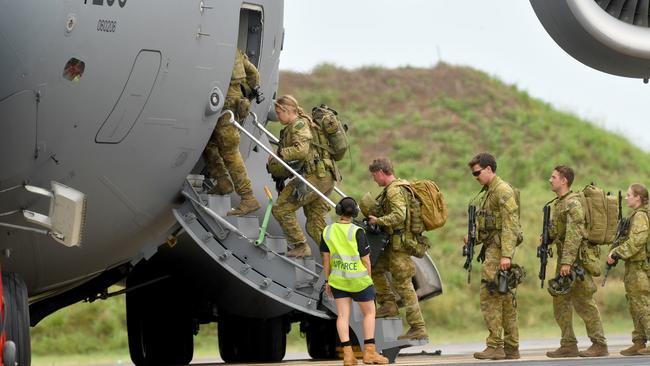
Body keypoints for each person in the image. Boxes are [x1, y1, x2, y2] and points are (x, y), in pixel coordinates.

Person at [546, 165, 608, 358]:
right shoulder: (559, 203)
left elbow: (575, 233)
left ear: (564, 180)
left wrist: (567, 262)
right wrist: (546, 237)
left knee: (583, 302)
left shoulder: (572, 203)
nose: (550, 179)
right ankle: (568, 343)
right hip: (565, 259)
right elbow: (560, 231)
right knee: (560, 301)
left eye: (554, 177)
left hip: (576, 261)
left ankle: (599, 344)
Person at [464, 153, 521, 360]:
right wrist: (473, 238)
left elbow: (510, 224)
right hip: (493, 249)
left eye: (478, 173)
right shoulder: (490, 192)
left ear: (489, 169)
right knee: (504, 298)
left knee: (490, 297)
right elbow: (491, 224)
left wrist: (506, 255)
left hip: (498, 253)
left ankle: (496, 345)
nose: (476, 177)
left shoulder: (502, 191)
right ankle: (511, 347)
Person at [321, 197, 388, 366]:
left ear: (338, 210)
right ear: (355, 212)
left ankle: (348, 356)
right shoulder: (357, 231)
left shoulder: (327, 231)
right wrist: (369, 279)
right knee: (370, 313)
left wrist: (327, 280)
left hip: (338, 281)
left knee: (343, 316)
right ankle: (369, 353)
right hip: (359, 281)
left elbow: (326, 260)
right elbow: (366, 260)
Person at [367, 158, 428, 341]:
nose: (374, 180)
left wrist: (378, 221)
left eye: (374, 176)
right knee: (375, 268)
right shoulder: (401, 187)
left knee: (404, 284)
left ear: (380, 172)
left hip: (399, 245)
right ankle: (388, 304)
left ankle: (418, 327)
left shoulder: (393, 191)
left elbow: (399, 216)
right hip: (396, 244)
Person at [271, 95, 336, 257]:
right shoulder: (297, 125)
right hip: (323, 177)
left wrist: (279, 153)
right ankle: (336, 261)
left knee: (281, 208)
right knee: (314, 224)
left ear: (287, 110)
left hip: (316, 176)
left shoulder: (299, 125)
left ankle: (300, 245)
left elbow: (301, 151)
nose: (277, 116)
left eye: (279, 112)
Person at [203, 48, 261, 216]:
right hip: (233, 99)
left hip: (225, 101)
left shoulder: (214, 46)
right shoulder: (233, 50)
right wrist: (246, 94)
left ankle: (248, 197)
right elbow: (253, 73)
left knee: (230, 151)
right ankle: (222, 180)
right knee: (209, 143)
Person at [607, 183, 650, 356]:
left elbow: (636, 241)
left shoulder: (640, 216)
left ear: (638, 198)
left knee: (643, 305)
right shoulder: (636, 215)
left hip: (639, 268)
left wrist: (617, 252)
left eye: (629, 195)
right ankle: (639, 341)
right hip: (633, 267)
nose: (626, 198)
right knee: (635, 304)